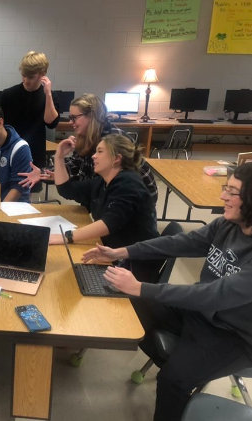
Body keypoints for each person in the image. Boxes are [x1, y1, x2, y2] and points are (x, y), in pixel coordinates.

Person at [82, 163, 252, 421]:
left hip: (235, 335)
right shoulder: (227, 225)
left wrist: (142, 287)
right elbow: (179, 242)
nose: (222, 197)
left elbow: (214, 295)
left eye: (232, 191)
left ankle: (180, 365)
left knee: (173, 380)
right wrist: (122, 251)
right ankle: (180, 356)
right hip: (201, 314)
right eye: (225, 188)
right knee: (129, 303)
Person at [50, 133, 162, 283]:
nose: (94, 156)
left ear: (117, 158)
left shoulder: (128, 184)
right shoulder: (103, 182)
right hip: (112, 254)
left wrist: (67, 236)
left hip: (134, 266)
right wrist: (59, 157)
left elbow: (109, 223)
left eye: (100, 152)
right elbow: (67, 190)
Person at [20, 93, 157, 206]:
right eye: (70, 117)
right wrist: (45, 173)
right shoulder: (86, 137)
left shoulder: (112, 141)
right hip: (108, 201)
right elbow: (75, 167)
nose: (70, 122)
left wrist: (61, 178)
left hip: (134, 203)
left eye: (74, 118)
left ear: (91, 116)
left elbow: (95, 188)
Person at [0, 51, 60, 178]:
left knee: (28, 194)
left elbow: (51, 123)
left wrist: (48, 94)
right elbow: (0, 125)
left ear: (42, 75)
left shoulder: (49, 96)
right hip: (10, 150)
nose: (26, 80)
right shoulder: (8, 94)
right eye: (24, 75)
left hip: (34, 153)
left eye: (31, 77)